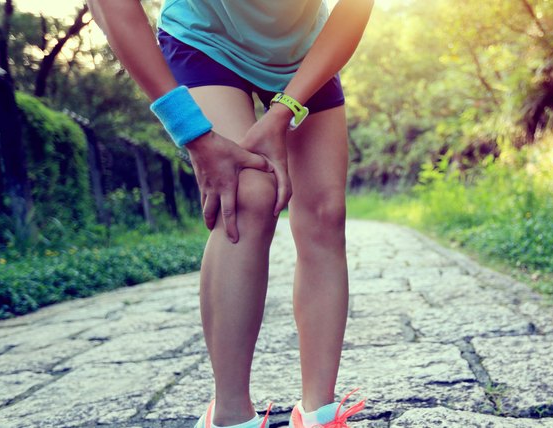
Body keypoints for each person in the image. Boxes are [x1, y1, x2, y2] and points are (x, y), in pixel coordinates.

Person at [86, 1, 375, 427]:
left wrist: (285, 110)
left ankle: (319, 411)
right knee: (248, 195)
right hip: (206, 41)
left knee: (325, 214)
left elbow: (355, 9)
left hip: (301, 54)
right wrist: (192, 133)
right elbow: (109, 6)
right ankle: (230, 415)